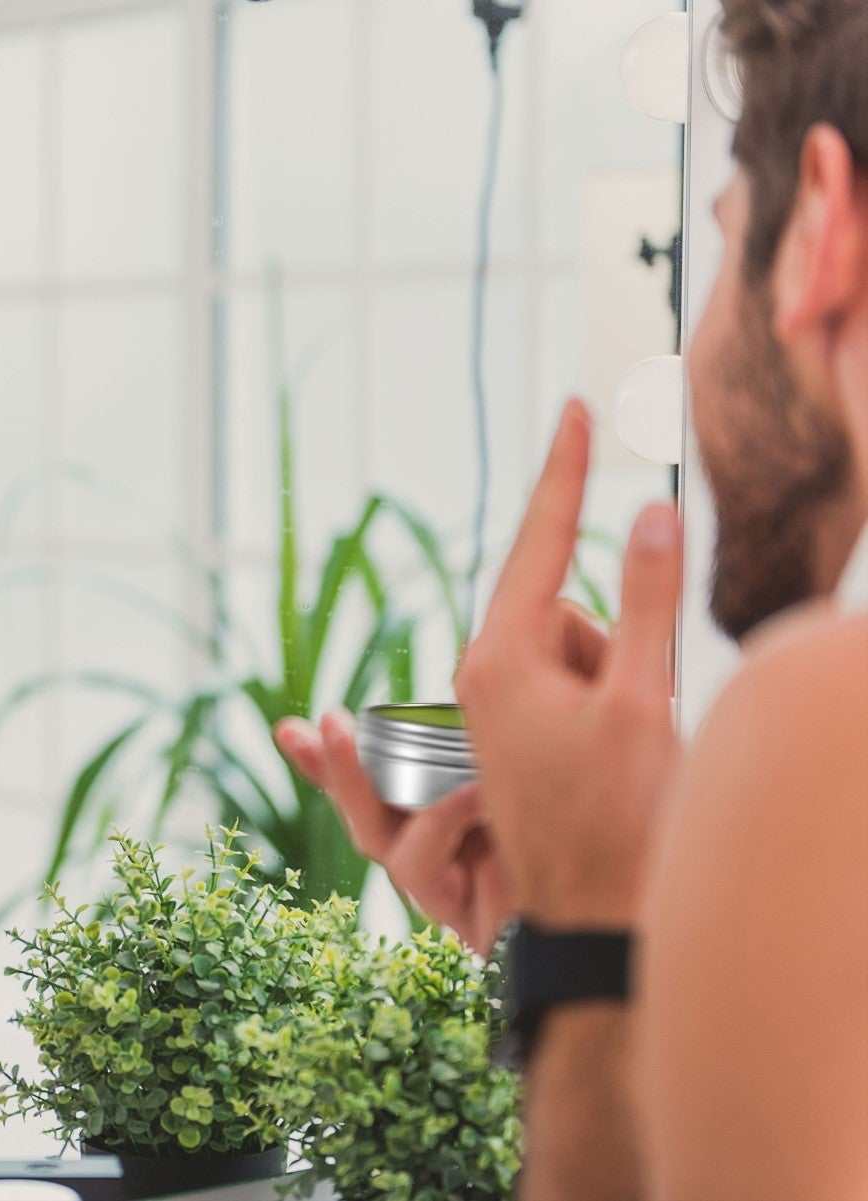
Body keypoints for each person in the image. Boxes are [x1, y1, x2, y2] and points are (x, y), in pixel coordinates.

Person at [277, 2, 868, 1198]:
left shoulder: (821, 719)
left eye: (718, 239)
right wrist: (620, 898)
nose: (697, 346)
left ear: (815, 223)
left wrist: (587, 931)